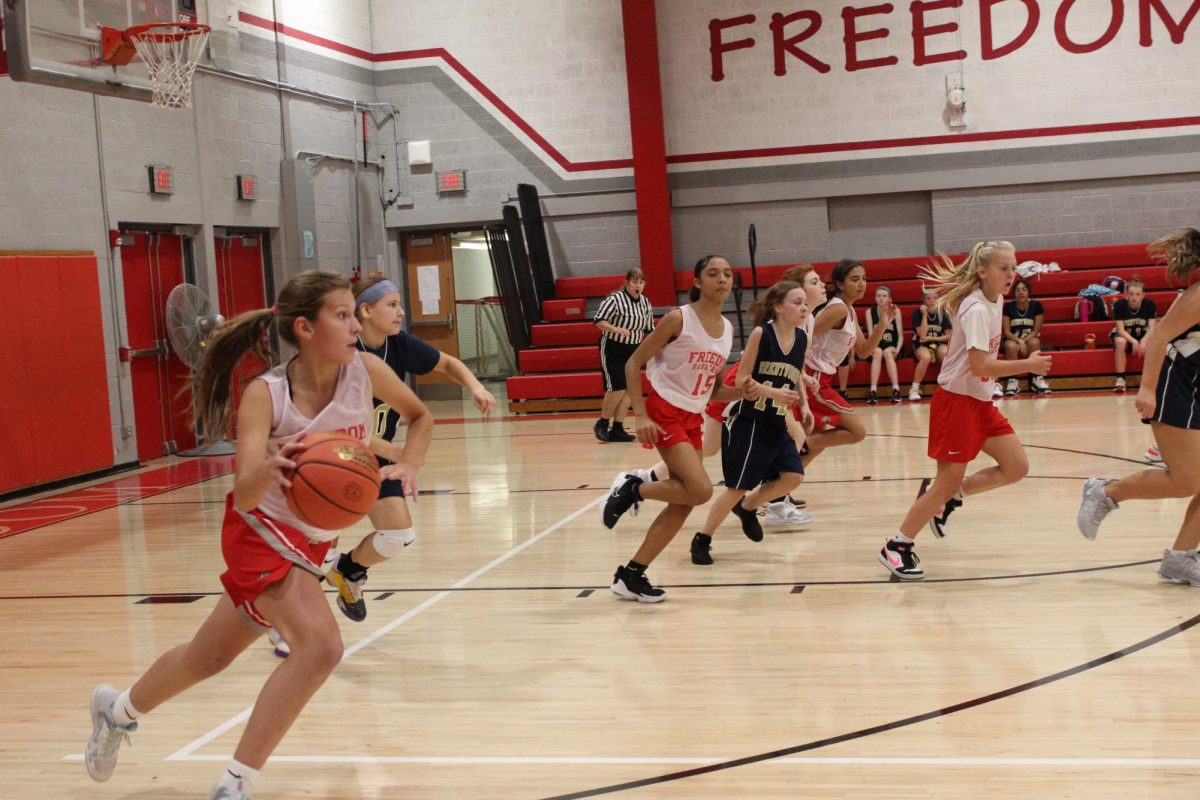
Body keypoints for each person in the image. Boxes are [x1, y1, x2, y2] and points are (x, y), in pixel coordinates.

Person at [84, 271, 433, 799]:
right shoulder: (265, 394)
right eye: (341, 315)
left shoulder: (367, 370)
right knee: (320, 647)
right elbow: (244, 494)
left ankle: (116, 710)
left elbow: (420, 414)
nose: (354, 326)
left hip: (312, 541)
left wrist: (407, 463)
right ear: (305, 327)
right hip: (258, 530)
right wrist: (270, 470)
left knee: (210, 657)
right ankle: (235, 784)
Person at [279, 276, 495, 645]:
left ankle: (349, 571)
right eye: (392, 304)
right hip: (329, 454)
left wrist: (475, 385)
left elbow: (447, 364)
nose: (401, 311)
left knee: (398, 536)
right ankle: (286, 624)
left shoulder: (398, 345)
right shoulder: (342, 353)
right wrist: (389, 449)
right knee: (318, 546)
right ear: (365, 311)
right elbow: (328, 427)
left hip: (372, 457)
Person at [879, 242, 1051, 580]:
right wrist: (1027, 364)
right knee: (944, 483)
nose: (1011, 274)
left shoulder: (996, 299)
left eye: (1013, 267)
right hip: (957, 402)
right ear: (983, 271)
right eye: (1004, 268)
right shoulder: (975, 309)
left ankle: (949, 499)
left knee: (1016, 467)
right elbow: (978, 363)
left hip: (981, 401)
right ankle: (897, 545)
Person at [601, 255, 740, 602]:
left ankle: (631, 574)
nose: (721, 279)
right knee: (702, 490)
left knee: (685, 501)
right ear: (697, 282)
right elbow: (634, 363)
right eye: (712, 274)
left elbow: (715, 388)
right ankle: (633, 489)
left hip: (693, 414)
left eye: (727, 274)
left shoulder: (727, 330)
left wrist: (744, 391)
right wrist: (641, 414)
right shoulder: (679, 319)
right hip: (664, 410)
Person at [1076, 229, 1200, 586]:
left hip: (1195, 384)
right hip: (1175, 382)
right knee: (1186, 481)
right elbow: (1159, 335)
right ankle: (1105, 493)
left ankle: (1180, 558)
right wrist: (1147, 389)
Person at [690, 280, 810, 565]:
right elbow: (742, 380)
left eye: (805, 302)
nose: (804, 307)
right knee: (737, 487)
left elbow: (795, 373)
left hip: (775, 420)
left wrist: (804, 403)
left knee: (793, 477)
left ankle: (748, 508)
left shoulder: (802, 337)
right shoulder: (762, 334)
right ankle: (703, 538)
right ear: (778, 307)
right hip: (749, 420)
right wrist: (773, 392)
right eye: (797, 302)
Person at [803, 259, 894, 470]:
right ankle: (792, 447)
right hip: (813, 377)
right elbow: (804, 335)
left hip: (822, 377)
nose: (862, 283)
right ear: (840, 284)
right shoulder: (838, 310)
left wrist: (882, 324)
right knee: (856, 431)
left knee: (819, 439)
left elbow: (863, 351)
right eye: (855, 279)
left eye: (864, 279)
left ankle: (780, 489)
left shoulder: (849, 311)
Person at [592, 268, 654, 442]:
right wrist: (615, 329)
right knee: (617, 387)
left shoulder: (645, 303)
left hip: (634, 349)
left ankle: (618, 428)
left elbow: (649, 329)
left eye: (641, 282)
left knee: (629, 390)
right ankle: (602, 423)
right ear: (627, 283)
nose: (638, 285)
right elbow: (598, 321)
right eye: (634, 281)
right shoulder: (614, 300)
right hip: (613, 347)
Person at [1002, 278, 1050, 395]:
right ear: (1014, 293)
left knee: (1034, 342)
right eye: (1018, 290)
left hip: (1029, 339)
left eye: (1024, 289)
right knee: (1010, 345)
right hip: (1013, 339)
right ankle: (1012, 380)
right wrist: (1019, 341)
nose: (1021, 292)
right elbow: (1006, 332)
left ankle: (1036, 379)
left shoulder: (1037, 306)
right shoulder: (1008, 307)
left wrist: (1023, 341)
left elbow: (1035, 330)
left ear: (1028, 292)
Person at [1111, 278, 1157, 392]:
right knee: (1120, 341)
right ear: (1126, 294)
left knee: (1150, 342)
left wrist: (1143, 340)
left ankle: (1150, 381)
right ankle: (1120, 380)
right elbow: (1120, 330)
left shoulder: (1150, 304)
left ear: (1143, 295)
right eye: (1131, 294)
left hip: (1143, 335)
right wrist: (1134, 341)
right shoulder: (1119, 305)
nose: (1134, 297)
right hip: (1126, 336)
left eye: (1138, 294)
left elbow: (1152, 328)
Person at [908, 288, 951, 401]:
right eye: (928, 298)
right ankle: (914, 388)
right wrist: (924, 315)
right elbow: (922, 335)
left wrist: (933, 338)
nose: (932, 301)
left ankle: (947, 387)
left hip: (937, 343)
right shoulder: (917, 313)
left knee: (945, 352)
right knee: (925, 356)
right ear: (923, 300)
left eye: (934, 298)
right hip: (921, 344)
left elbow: (949, 336)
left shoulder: (943, 314)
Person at [866, 285, 904, 404]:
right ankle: (873, 391)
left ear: (889, 298)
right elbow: (871, 335)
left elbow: (901, 334)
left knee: (887, 352)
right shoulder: (869, 312)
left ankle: (896, 389)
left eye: (884, 296)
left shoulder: (895, 311)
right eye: (878, 296)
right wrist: (870, 349)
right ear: (875, 298)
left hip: (892, 344)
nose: (881, 298)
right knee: (877, 352)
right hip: (877, 344)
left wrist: (898, 349)